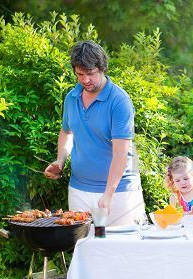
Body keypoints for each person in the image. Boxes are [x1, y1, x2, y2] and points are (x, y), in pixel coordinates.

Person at [44, 40, 144, 227]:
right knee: (85, 247)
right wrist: (60, 161)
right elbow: (67, 132)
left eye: (90, 74)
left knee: (121, 251)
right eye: (80, 74)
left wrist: (108, 193)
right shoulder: (71, 98)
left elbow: (121, 153)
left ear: (102, 68)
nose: (85, 80)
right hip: (79, 189)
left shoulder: (119, 101)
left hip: (119, 192)